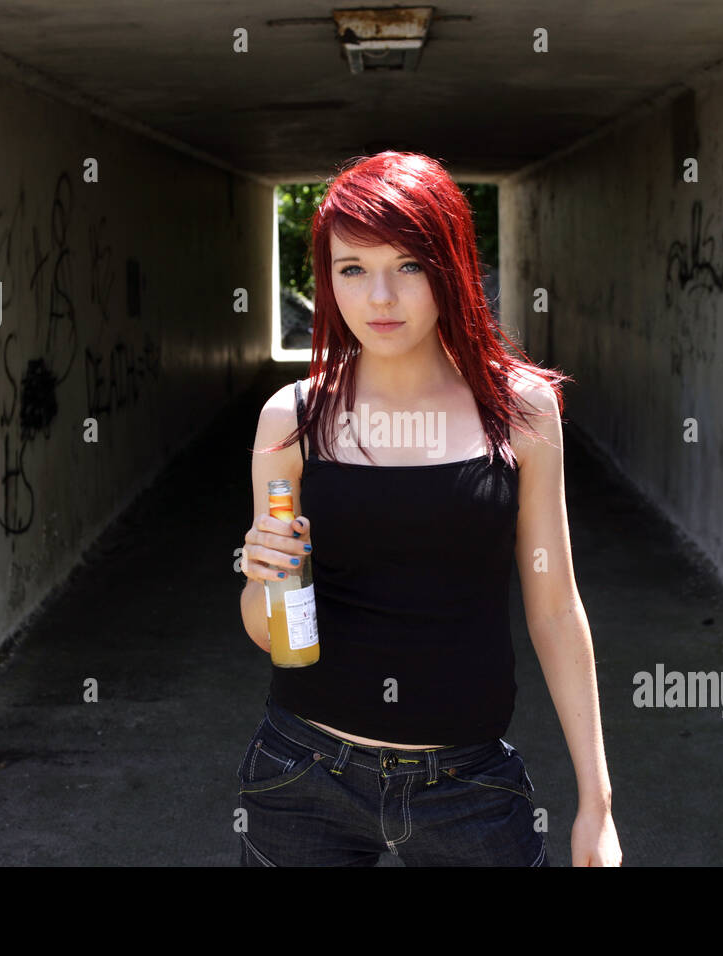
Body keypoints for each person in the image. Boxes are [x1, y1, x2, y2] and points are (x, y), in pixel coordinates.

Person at [236, 151, 621, 867]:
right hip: (302, 771)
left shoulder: (520, 411)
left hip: (468, 782)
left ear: (450, 266)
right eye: (352, 269)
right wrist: (261, 574)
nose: (379, 296)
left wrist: (596, 802)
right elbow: (269, 630)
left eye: (408, 264)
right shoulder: (290, 419)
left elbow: (555, 608)